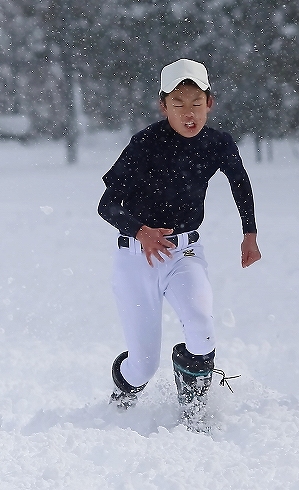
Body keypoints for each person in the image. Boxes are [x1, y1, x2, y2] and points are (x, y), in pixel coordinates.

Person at [98, 58, 261, 427]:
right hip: (136, 257)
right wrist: (141, 230)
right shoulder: (145, 143)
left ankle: (192, 410)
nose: (189, 114)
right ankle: (121, 399)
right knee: (142, 366)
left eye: (196, 104)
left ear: (210, 103)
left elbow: (240, 181)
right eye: (178, 104)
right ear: (163, 105)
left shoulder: (217, 143)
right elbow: (106, 204)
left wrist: (249, 232)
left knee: (202, 329)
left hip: (183, 251)